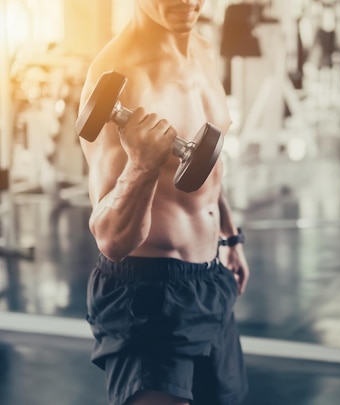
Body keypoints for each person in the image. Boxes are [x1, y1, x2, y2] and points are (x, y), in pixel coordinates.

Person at [77, 1, 250, 404]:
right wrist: (141, 165)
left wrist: (229, 235)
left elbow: (209, 161)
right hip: (148, 299)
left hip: (210, 282)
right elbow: (111, 239)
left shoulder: (204, 50)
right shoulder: (117, 76)